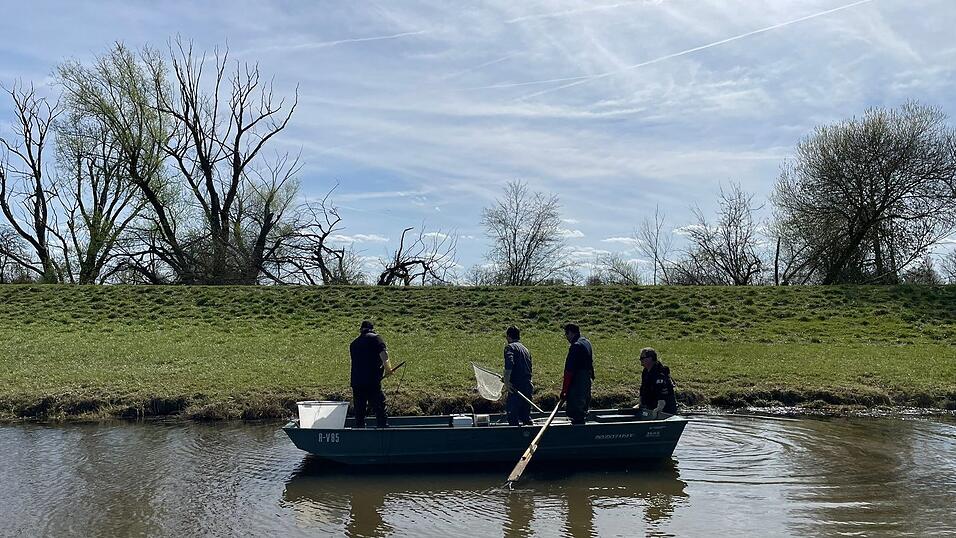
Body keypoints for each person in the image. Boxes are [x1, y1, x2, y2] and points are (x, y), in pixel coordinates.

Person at [349, 320, 393, 428]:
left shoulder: (353, 344)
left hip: (357, 382)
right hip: (372, 381)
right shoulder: (376, 338)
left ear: (361, 330)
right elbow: (384, 354)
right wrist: (388, 369)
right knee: (379, 407)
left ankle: (360, 431)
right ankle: (382, 428)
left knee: (359, 411)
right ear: (372, 329)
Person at [560, 323, 593, 424]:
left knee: (576, 410)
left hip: (578, 382)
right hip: (587, 380)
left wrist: (564, 390)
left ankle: (577, 427)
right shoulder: (587, 342)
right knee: (583, 406)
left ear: (571, 333)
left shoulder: (575, 346)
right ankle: (581, 422)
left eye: (566, 333)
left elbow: (568, 371)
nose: (566, 337)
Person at [503, 325, 534, 426]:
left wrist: (507, 381)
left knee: (512, 416)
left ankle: (513, 434)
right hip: (528, 385)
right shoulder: (525, 349)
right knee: (525, 416)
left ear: (508, 336)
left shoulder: (509, 347)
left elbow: (509, 364)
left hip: (516, 386)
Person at [635, 347, 677, 418]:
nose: (640, 360)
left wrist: (658, 409)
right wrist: (641, 403)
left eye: (642, 358)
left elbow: (661, 395)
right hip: (650, 407)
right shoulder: (645, 371)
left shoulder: (660, 373)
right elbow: (643, 388)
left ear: (650, 358)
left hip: (665, 410)